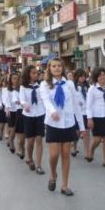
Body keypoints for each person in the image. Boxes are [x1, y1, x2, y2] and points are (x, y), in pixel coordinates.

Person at [40, 58, 86, 196]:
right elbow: (46, 100)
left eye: (59, 66)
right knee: (54, 155)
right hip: (53, 123)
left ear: (63, 68)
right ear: (49, 68)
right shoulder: (45, 84)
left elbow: (76, 105)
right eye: (54, 66)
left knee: (66, 154)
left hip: (68, 123)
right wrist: (52, 111)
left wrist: (81, 126)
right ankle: (53, 174)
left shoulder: (69, 84)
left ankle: (65, 185)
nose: (57, 68)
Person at [86, 67, 105, 168]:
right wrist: (89, 118)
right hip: (97, 117)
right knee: (97, 140)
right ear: (96, 77)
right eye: (99, 75)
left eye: (103, 75)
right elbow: (89, 105)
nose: (102, 77)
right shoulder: (92, 89)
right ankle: (91, 149)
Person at [20, 66, 45, 174]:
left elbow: (45, 99)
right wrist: (24, 104)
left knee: (39, 139)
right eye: (33, 73)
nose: (36, 74)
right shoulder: (23, 87)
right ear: (28, 74)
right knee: (30, 141)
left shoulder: (41, 86)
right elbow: (21, 99)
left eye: (37, 73)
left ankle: (39, 165)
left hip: (40, 114)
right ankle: (30, 158)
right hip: (28, 115)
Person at [5, 73, 24, 159]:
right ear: (10, 80)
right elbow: (7, 101)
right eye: (14, 78)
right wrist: (8, 109)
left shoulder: (22, 89)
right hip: (12, 111)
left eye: (17, 78)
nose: (16, 80)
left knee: (21, 133)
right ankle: (11, 141)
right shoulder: (8, 90)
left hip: (20, 111)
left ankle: (21, 149)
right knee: (13, 130)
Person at [73, 69, 90, 158]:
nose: (83, 78)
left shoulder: (87, 87)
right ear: (77, 77)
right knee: (77, 132)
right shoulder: (74, 87)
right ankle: (74, 147)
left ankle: (88, 153)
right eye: (81, 76)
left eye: (84, 76)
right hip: (77, 112)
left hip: (86, 112)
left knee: (86, 132)